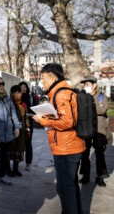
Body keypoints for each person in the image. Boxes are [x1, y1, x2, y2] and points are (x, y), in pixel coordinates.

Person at [32, 63, 85, 214]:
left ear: (53, 77)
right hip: (68, 145)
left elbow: (67, 121)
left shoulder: (61, 93)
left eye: (43, 78)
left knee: (65, 189)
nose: (42, 81)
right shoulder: (62, 91)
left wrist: (43, 120)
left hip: (66, 148)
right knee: (71, 187)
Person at [79, 76, 112, 187]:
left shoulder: (102, 97)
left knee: (99, 154)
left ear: (94, 85)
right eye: (85, 85)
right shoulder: (83, 96)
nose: (86, 87)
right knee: (85, 154)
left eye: (88, 84)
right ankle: (85, 175)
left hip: (99, 129)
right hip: (87, 129)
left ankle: (100, 176)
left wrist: (88, 107)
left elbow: (102, 109)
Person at [7, 85, 29, 177]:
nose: (17, 94)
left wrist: (27, 128)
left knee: (18, 150)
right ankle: (7, 170)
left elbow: (26, 118)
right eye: (15, 92)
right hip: (10, 130)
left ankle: (15, 169)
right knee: (9, 150)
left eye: (18, 92)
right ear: (11, 94)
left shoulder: (23, 105)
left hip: (21, 131)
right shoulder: (8, 104)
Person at [18, 81, 38, 171]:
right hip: (19, 124)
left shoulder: (30, 98)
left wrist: (30, 114)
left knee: (28, 143)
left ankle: (28, 163)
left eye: (25, 87)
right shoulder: (17, 98)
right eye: (22, 87)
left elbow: (35, 109)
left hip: (28, 123)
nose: (24, 88)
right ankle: (17, 162)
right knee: (19, 143)